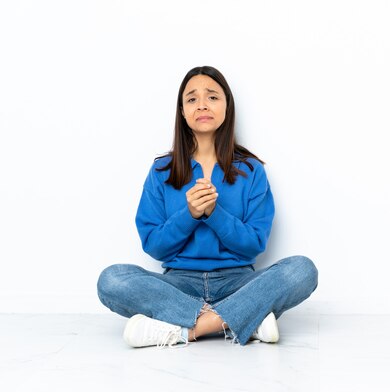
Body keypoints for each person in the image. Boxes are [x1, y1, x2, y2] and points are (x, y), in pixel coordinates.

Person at [97, 66, 318, 348]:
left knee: (301, 270)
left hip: (238, 282)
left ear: (227, 105)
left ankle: (185, 330)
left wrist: (215, 214)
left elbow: (254, 245)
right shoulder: (161, 170)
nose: (202, 104)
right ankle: (244, 319)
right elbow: (154, 245)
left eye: (212, 97)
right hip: (179, 285)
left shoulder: (251, 170)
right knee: (112, 280)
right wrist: (189, 215)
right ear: (182, 111)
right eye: (192, 99)